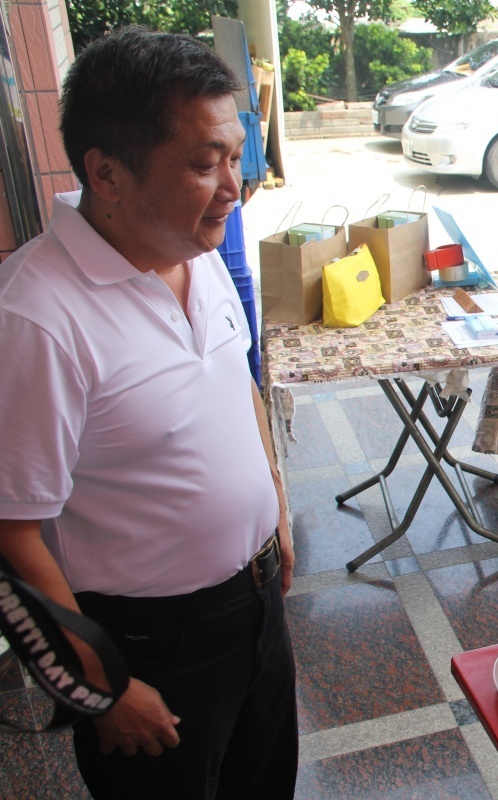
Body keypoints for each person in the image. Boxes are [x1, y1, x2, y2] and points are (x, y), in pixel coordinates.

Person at [0, 28, 297, 799]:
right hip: (148, 645)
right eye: (204, 164)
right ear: (107, 173)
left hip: (258, 605)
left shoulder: (200, 253)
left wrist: (278, 510)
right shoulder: (36, 318)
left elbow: (241, 387)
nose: (233, 186)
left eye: (236, 157)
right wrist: (98, 689)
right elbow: (9, 533)